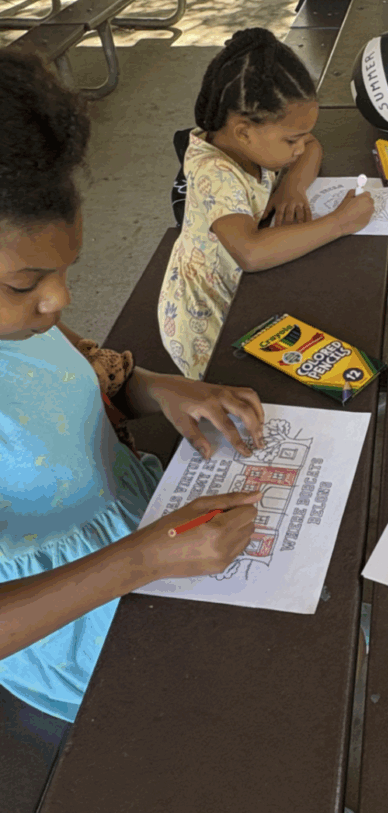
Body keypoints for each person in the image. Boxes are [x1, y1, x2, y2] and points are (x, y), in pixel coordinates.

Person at [0, 47, 267, 747]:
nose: (58, 300)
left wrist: (159, 390)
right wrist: (145, 560)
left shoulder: (21, 319)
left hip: (151, 527)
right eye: (27, 283)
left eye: (64, 272)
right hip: (72, 627)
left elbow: (76, 368)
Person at [158, 27, 373, 381]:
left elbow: (314, 148)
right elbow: (251, 253)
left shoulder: (252, 142)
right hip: (209, 325)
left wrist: (292, 186)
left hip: (245, 289)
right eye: (292, 140)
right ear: (244, 131)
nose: (300, 149)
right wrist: (341, 222)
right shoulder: (214, 170)